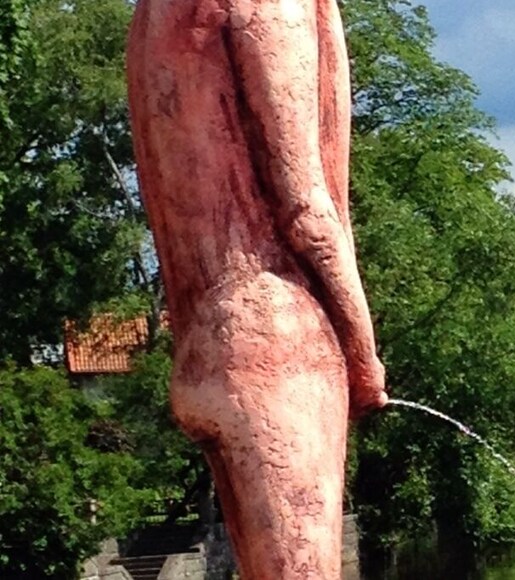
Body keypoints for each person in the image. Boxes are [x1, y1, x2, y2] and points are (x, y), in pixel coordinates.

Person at [127, 1, 386, 577]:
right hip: (279, 344)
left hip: (203, 348)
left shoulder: (153, 13)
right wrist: (364, 355)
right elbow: (305, 209)